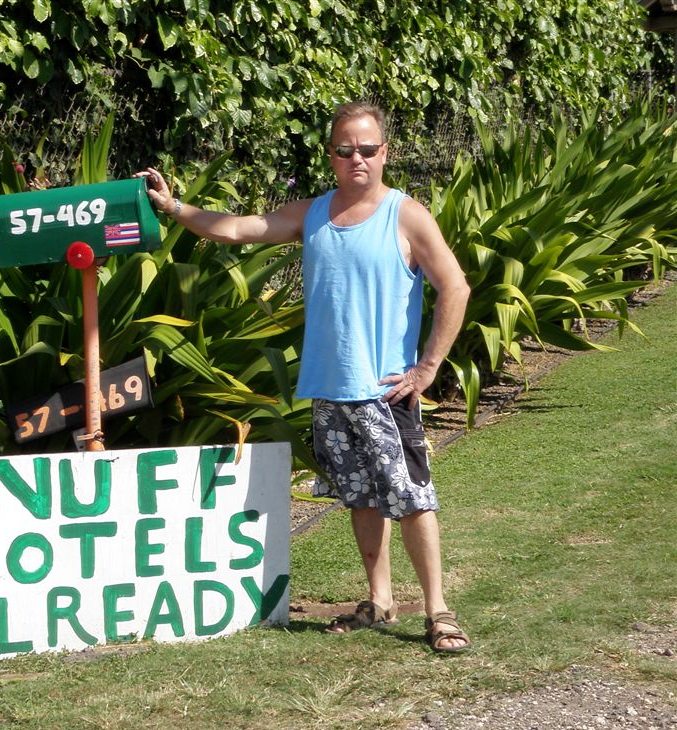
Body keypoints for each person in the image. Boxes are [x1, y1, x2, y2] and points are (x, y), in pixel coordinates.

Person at [136, 102, 472, 653]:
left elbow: (454, 287)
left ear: (385, 153)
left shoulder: (406, 216)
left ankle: (438, 610)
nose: (356, 159)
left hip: (385, 392)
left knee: (412, 499)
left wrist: (428, 367)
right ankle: (380, 599)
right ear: (332, 155)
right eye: (345, 150)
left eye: (367, 149)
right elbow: (238, 230)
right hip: (328, 389)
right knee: (360, 499)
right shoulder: (314, 213)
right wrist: (174, 207)